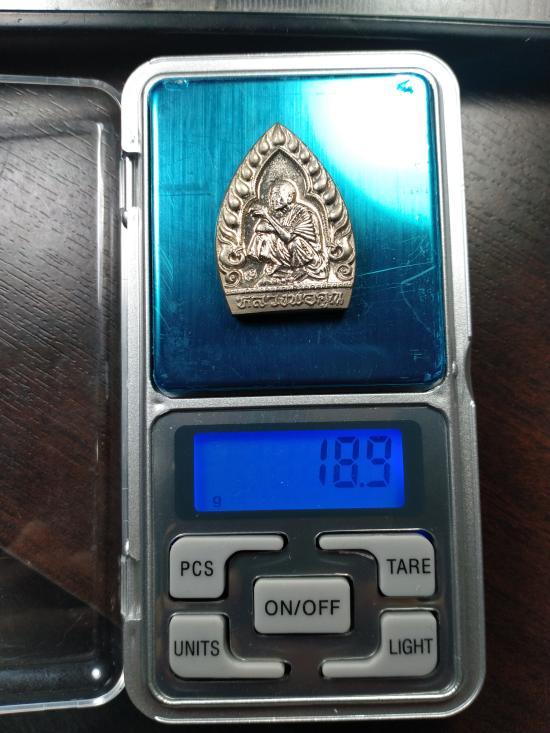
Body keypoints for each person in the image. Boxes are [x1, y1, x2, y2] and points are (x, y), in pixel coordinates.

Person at [247, 179, 327, 282]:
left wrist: (267, 216)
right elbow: (259, 228)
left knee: (295, 242)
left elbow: (288, 237)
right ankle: (278, 264)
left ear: (289, 197)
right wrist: (275, 228)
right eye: (271, 195)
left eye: (276, 194)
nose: (272, 199)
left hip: (308, 256)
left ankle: (300, 270)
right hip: (288, 252)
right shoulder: (278, 214)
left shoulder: (302, 212)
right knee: (262, 237)